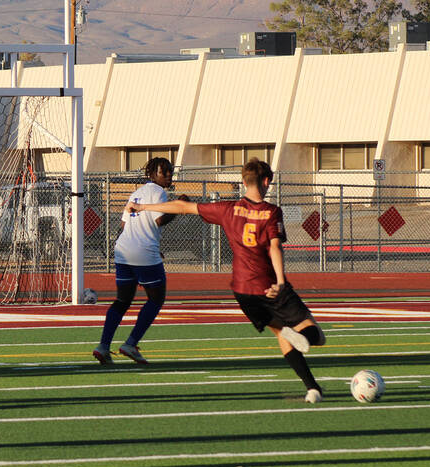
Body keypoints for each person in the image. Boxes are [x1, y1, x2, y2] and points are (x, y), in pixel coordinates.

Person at [126, 157, 327, 402]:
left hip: (242, 291)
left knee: (282, 334)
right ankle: (304, 341)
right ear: (266, 182)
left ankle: (312, 388)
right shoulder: (271, 212)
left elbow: (182, 207)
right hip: (269, 285)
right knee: (316, 335)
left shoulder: (228, 209)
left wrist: (143, 208)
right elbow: (275, 247)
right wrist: (281, 281)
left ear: (243, 182)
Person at [92, 157, 181, 365]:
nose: (169, 175)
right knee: (156, 299)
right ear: (152, 174)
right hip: (142, 252)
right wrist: (178, 207)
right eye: (164, 171)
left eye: (170, 171)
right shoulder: (158, 192)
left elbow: (124, 226)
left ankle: (103, 346)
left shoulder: (136, 193)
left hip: (123, 251)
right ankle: (130, 344)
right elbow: (159, 220)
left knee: (122, 301)